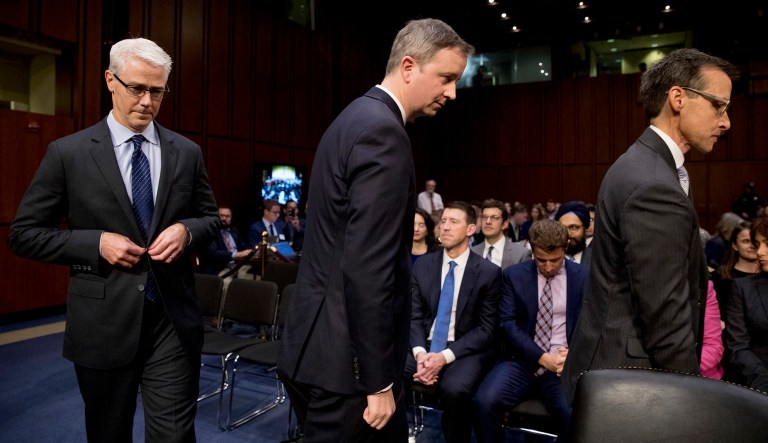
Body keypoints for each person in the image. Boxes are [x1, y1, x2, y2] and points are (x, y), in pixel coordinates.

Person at [7, 37, 219, 441]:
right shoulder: (68, 153)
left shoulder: (186, 152)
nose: (147, 101)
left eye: (157, 91)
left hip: (171, 321)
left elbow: (210, 219)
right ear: (110, 80)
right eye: (136, 88)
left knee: (174, 436)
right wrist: (95, 243)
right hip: (103, 325)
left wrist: (186, 231)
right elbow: (24, 235)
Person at [277, 18, 474, 442]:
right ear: (408, 67)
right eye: (446, 78)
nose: (452, 93)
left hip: (314, 346)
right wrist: (377, 381)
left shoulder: (354, 116)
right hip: (346, 368)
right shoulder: (384, 132)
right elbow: (368, 269)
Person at [562, 48, 739, 402]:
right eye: (719, 106)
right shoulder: (655, 182)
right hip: (630, 381)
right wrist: (689, 395)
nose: (726, 121)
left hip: (613, 370)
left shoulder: (642, 163)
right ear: (678, 98)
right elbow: (665, 318)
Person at [475, 219, 586, 441]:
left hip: (563, 366)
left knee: (576, 415)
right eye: (541, 260)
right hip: (522, 360)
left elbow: (591, 324)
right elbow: (507, 324)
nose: (547, 267)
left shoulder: (583, 276)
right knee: (485, 401)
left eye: (554, 260)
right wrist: (541, 357)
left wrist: (572, 355)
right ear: (531, 250)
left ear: (565, 248)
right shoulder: (514, 276)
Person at [407, 201, 501, 442]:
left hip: (463, 349)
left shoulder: (488, 272)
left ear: (470, 230)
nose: (445, 227)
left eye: (453, 222)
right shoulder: (423, 266)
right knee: (383, 372)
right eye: (443, 221)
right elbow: (413, 316)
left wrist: (442, 358)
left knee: (456, 390)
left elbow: (486, 329)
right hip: (423, 345)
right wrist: (420, 355)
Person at [724, 217, 768, 391]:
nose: (759, 252)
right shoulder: (743, 288)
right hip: (758, 386)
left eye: (766, 244)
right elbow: (738, 346)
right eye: (757, 245)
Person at [712, 220, 758, 318]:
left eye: (755, 241)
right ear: (735, 245)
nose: (752, 245)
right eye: (746, 241)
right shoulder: (720, 277)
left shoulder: (765, 275)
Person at [471, 198, 531, 270]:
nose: (488, 221)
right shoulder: (472, 252)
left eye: (494, 218)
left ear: (505, 224)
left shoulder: (521, 254)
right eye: (484, 217)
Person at [197, 205, 253, 276]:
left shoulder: (233, 230)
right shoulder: (211, 232)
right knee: (229, 283)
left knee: (253, 280)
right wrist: (235, 254)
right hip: (219, 269)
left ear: (231, 218)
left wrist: (254, 249)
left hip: (237, 265)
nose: (224, 218)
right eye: (221, 215)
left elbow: (243, 246)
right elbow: (214, 253)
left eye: (227, 216)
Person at [553, 200, 592, 267]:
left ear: (585, 229)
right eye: (563, 228)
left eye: (573, 227)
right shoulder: (549, 259)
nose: (568, 233)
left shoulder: (597, 258)